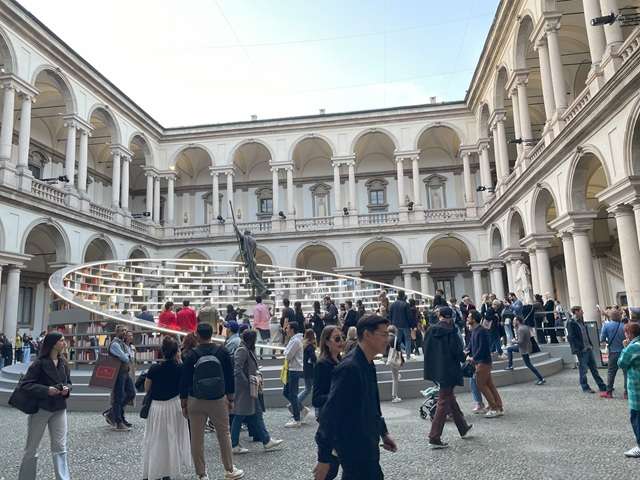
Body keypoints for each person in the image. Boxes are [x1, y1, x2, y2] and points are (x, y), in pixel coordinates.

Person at [314, 315, 397, 480]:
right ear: (367, 335)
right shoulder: (349, 368)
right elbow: (330, 414)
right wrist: (324, 458)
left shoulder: (368, 363)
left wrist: (383, 431)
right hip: (354, 446)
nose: (387, 339)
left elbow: (372, 404)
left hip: (367, 442)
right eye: (383, 334)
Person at [180, 322, 244, 480]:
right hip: (218, 399)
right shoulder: (222, 351)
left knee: (197, 438)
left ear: (197, 335)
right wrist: (231, 398)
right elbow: (229, 376)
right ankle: (229, 469)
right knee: (224, 434)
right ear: (212, 334)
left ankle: (202, 474)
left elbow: (184, 379)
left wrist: (184, 402)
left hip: (196, 399)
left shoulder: (191, 355)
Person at [17, 331, 72, 480]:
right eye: (61, 340)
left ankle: (63, 478)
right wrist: (47, 390)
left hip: (59, 408)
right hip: (41, 409)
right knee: (32, 447)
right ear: (53, 344)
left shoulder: (63, 363)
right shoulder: (39, 363)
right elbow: (26, 385)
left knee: (60, 447)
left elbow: (69, 382)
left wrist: (66, 389)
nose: (64, 343)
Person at [142, 336, 191, 480]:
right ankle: (170, 470)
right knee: (173, 438)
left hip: (157, 407)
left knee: (156, 438)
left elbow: (147, 388)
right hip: (174, 405)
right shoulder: (181, 368)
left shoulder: (154, 368)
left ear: (162, 352)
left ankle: (155, 469)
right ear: (176, 352)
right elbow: (184, 387)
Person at [423, 306, 473, 448]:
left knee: (449, 397)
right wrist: (465, 358)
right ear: (450, 317)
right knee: (444, 401)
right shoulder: (452, 331)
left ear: (440, 316)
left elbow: (425, 348)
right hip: (449, 370)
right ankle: (434, 437)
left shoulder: (430, 330)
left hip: (436, 369)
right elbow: (457, 351)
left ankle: (463, 427)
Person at [230, 329, 283, 454]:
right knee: (240, 415)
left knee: (255, 414)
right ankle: (234, 444)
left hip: (248, 389)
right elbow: (237, 370)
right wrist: (247, 383)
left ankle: (266, 440)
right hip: (246, 390)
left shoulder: (246, 349)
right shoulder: (243, 350)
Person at [312, 325, 343, 480]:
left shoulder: (342, 361)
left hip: (343, 422)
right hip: (331, 423)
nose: (341, 341)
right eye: (337, 338)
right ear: (327, 342)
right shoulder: (322, 364)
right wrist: (336, 394)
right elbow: (316, 399)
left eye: (342, 337)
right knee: (329, 469)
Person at [468, 310, 504, 417]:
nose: (467, 318)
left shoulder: (481, 331)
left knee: (481, 385)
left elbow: (482, 348)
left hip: (482, 362)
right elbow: (472, 345)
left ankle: (494, 408)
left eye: (469, 317)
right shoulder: (476, 330)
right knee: (489, 384)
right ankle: (498, 406)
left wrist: (473, 358)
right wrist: (467, 351)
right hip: (482, 361)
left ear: (474, 319)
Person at [567, 306, 607, 393]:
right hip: (582, 350)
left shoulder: (581, 321)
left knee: (594, 369)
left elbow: (585, 334)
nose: (583, 312)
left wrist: (590, 344)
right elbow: (571, 337)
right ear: (576, 312)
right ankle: (585, 387)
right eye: (581, 311)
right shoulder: (571, 323)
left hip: (588, 348)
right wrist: (579, 347)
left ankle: (602, 386)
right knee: (583, 370)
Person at [618, 322, 640, 458]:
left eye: (626, 332)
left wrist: (625, 347)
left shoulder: (633, 347)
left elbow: (621, 363)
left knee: (636, 417)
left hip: (636, 389)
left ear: (629, 334)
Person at [106, 325, 135, 431]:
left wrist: (127, 354)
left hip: (125, 372)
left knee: (131, 393)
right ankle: (119, 421)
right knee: (119, 396)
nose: (124, 332)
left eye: (125, 330)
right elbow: (125, 358)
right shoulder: (115, 344)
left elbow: (130, 356)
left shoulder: (123, 344)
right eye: (122, 330)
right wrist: (127, 354)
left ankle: (112, 413)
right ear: (117, 332)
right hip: (118, 373)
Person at [505, 316, 545, 385]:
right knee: (510, 349)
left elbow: (520, 341)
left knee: (528, 364)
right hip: (527, 347)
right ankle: (510, 365)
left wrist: (513, 341)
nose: (513, 321)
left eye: (514, 320)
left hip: (523, 348)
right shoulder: (525, 327)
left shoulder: (520, 329)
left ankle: (541, 378)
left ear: (518, 321)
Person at [283, 321, 307, 427]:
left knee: (292, 394)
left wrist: (285, 352)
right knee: (286, 392)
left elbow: (287, 355)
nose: (286, 330)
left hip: (294, 369)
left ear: (292, 329)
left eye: (287, 328)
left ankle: (297, 419)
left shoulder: (295, 341)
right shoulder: (294, 340)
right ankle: (301, 409)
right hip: (292, 369)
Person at [600, 308, 627, 399]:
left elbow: (602, 339)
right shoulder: (624, 326)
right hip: (624, 352)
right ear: (619, 316)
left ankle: (609, 392)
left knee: (611, 372)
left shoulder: (606, 326)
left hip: (613, 352)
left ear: (611, 317)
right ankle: (626, 393)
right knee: (626, 372)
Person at [389, 290, 412, 359]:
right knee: (407, 339)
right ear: (403, 295)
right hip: (405, 325)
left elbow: (390, 315)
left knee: (397, 340)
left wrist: (391, 323)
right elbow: (409, 316)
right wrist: (411, 325)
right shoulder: (406, 304)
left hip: (395, 325)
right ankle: (408, 355)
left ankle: (398, 355)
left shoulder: (393, 304)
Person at [299, 329, 317, 407]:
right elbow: (313, 358)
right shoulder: (310, 346)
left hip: (305, 369)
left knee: (307, 389)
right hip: (311, 370)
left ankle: (295, 402)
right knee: (311, 389)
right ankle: (295, 402)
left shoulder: (304, 345)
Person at [387, 325, 405, 403]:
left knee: (395, 376)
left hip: (388, 358)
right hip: (394, 359)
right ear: (395, 331)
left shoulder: (386, 338)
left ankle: (394, 395)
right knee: (395, 378)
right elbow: (399, 351)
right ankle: (394, 396)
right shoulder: (395, 339)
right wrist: (402, 360)